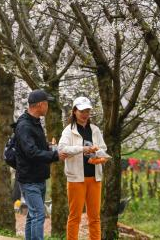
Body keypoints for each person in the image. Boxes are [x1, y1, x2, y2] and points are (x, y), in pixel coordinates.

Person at [15, 90, 67, 240]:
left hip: (38, 177)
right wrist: (55, 155)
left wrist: (49, 147)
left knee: (33, 215)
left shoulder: (35, 122)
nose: (48, 106)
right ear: (40, 105)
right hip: (29, 178)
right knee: (38, 214)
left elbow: (35, 146)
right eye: (47, 103)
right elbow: (30, 152)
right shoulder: (24, 125)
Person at [59, 97, 109, 240]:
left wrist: (102, 158)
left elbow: (103, 148)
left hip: (95, 178)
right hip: (76, 179)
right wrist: (83, 149)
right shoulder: (69, 131)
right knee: (75, 217)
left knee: (95, 217)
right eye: (81, 111)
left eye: (87, 110)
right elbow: (62, 149)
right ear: (74, 112)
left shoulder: (95, 130)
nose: (85, 114)